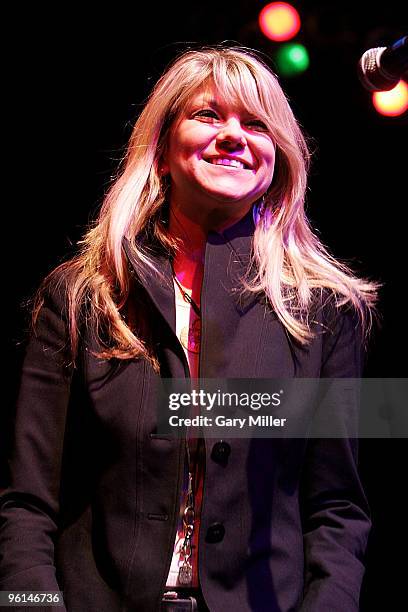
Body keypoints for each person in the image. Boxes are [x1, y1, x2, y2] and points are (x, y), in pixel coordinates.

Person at [0, 45, 378, 611]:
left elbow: (337, 510)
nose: (234, 136)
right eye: (208, 115)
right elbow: (27, 502)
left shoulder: (324, 309)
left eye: (256, 124)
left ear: (279, 156)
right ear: (161, 148)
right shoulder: (81, 295)